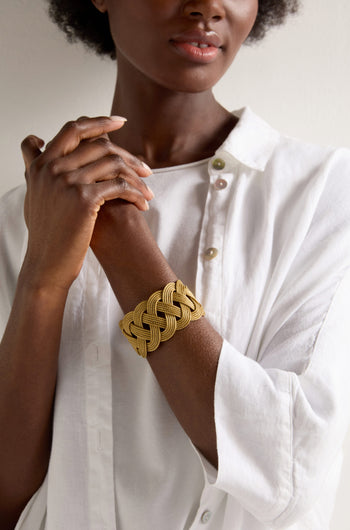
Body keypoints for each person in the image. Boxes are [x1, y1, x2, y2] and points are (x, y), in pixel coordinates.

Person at [1, 0, 350, 529]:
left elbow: (289, 472)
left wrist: (125, 246)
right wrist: (43, 281)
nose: (208, 6)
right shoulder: (20, 217)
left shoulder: (320, 196)